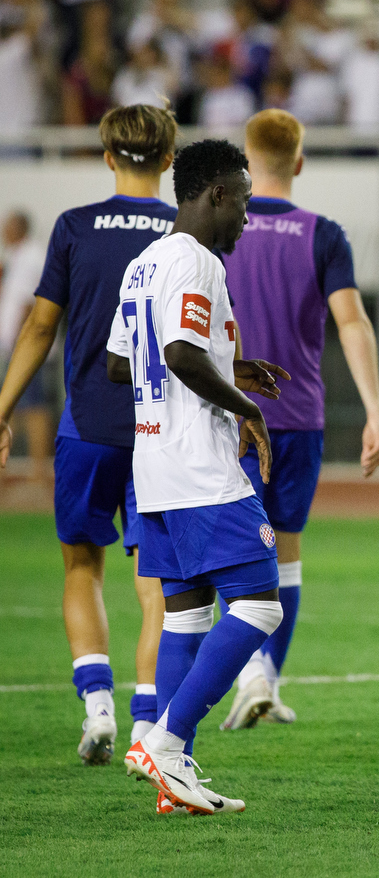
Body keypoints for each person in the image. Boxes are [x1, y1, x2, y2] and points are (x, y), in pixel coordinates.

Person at [0, 106, 176, 766]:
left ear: (107, 157)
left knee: (81, 563)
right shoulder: (184, 232)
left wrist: (4, 405)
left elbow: (39, 329)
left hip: (88, 426)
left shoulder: (74, 227)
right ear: (168, 160)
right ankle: (144, 725)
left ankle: (97, 704)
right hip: (162, 430)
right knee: (156, 577)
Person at [116, 138, 286, 815]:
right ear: (216, 194)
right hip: (198, 467)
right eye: (243, 202)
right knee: (259, 603)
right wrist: (246, 406)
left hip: (152, 463)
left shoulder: (144, 263)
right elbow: (181, 352)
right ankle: (168, 740)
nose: (246, 216)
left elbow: (119, 364)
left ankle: (170, 769)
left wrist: (227, 364)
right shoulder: (197, 261)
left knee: (187, 616)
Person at [215, 109, 379, 730]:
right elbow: (352, 323)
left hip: (228, 417)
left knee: (228, 549)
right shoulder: (323, 233)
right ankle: (268, 678)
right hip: (300, 418)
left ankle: (253, 676)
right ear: (301, 161)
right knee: (285, 551)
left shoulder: (221, 225)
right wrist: (374, 408)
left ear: (244, 159)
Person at [0, 210, 50, 481]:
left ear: (18, 228)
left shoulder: (30, 256)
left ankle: (39, 470)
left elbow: (29, 304)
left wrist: (22, 344)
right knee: (15, 406)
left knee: (33, 407)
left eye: (6, 227)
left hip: (26, 348)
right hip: (17, 346)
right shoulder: (18, 256)